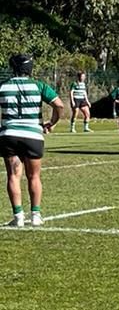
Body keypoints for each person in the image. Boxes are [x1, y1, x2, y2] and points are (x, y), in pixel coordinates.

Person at [2, 54, 64, 227]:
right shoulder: (39, 86)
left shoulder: (3, 86)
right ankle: (35, 215)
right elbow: (59, 105)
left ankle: (18, 217)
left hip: (9, 135)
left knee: (13, 175)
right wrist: (52, 122)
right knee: (34, 176)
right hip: (33, 135)